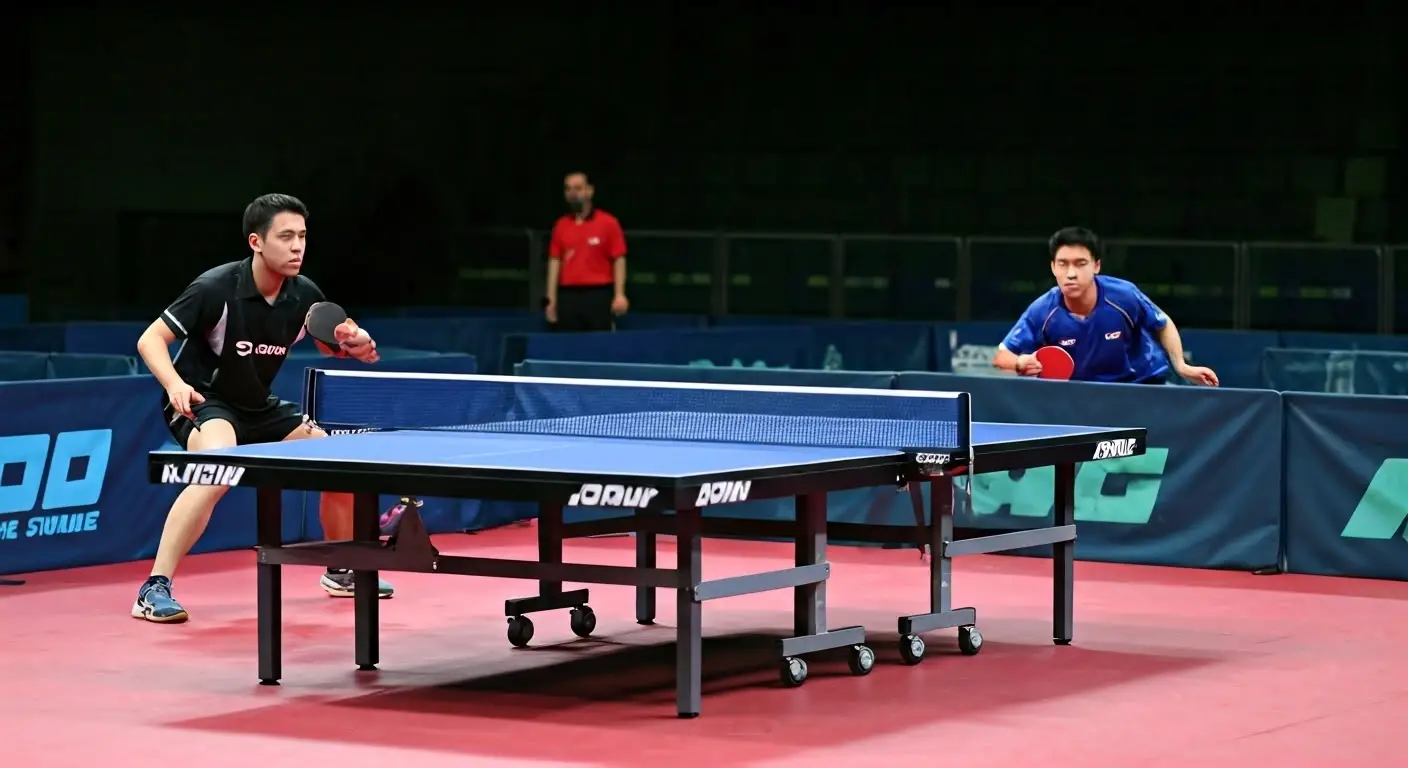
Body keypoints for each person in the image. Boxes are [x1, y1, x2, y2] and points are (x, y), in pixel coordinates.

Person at [131, 193, 391, 624]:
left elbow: (333, 344)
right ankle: (153, 588)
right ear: (256, 241)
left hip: (257, 405)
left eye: (302, 236)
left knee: (339, 464)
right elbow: (150, 339)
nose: (297, 246)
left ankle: (341, 568)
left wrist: (358, 344)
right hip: (203, 400)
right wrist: (175, 384)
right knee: (216, 470)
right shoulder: (215, 288)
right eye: (285, 237)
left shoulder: (304, 294)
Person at [992, 226, 1220, 386]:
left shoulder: (1123, 295)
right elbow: (1001, 357)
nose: (1071, 273)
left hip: (1142, 383)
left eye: (1080, 264)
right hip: (1086, 394)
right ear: (1053, 267)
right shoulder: (1043, 310)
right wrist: (1019, 362)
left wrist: (1181, 366)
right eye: (1063, 264)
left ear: (1096, 266)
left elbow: (1162, 323)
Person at [544, 172, 629, 331]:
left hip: (598, 294)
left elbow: (619, 259)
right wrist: (551, 300)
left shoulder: (608, 223)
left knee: (600, 342)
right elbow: (555, 261)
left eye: (577, 188)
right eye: (568, 189)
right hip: (568, 296)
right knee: (568, 342)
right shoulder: (561, 225)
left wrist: (620, 294)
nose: (572, 193)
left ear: (589, 191)